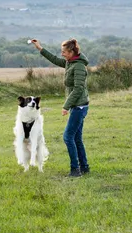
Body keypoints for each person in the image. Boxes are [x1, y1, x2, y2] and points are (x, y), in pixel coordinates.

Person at [30, 38, 90, 177]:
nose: (62, 54)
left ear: (71, 52)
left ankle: (75, 170)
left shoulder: (79, 66)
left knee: (68, 137)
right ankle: (84, 167)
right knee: (76, 138)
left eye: (64, 52)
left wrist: (66, 106)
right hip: (77, 105)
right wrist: (40, 48)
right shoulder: (70, 62)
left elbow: (78, 89)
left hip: (79, 106)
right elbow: (55, 60)